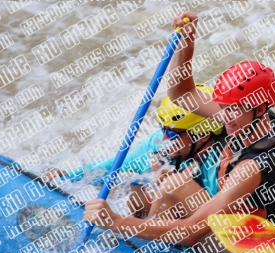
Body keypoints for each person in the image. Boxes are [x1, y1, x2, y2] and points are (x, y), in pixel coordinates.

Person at [83, 12, 275, 253]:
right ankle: (145, 243)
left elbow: (192, 232)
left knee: (172, 185)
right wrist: (187, 42)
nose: (225, 117)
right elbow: (182, 93)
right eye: (224, 108)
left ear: (260, 107)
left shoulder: (252, 168)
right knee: (158, 185)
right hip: (262, 236)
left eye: (235, 109)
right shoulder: (267, 122)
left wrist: (116, 222)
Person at [54, 86, 225, 221]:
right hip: (179, 217)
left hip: (210, 229)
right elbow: (114, 167)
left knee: (172, 185)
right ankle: (150, 233)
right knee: (136, 187)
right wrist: (67, 177)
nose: (165, 138)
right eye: (163, 129)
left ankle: (154, 241)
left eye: (172, 134)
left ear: (203, 135)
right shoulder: (162, 142)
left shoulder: (223, 161)